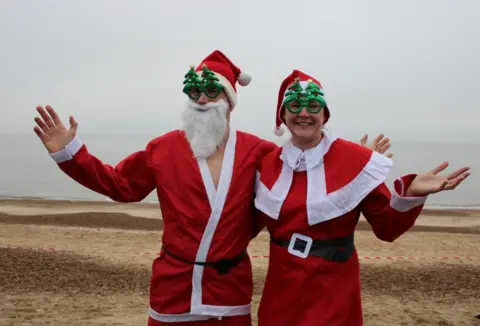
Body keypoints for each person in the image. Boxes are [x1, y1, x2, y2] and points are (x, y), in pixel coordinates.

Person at [33, 50, 391, 325]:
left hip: (230, 289)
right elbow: (119, 185)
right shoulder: (163, 148)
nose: (202, 99)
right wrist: (70, 153)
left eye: (212, 92)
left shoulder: (259, 152)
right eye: (194, 92)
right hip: (173, 287)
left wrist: (356, 161)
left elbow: (302, 178)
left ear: (229, 101)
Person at [254, 69, 471, 326]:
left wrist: (410, 193)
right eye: (294, 105)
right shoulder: (265, 164)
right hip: (281, 292)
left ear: (324, 115)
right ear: (283, 115)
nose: (303, 113)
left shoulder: (357, 160)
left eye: (313, 105)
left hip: (333, 291)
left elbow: (386, 228)